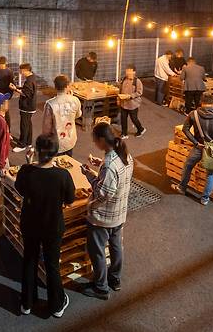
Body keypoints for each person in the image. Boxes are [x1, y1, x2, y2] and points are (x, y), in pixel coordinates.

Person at [15, 134, 74, 317]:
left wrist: (28, 162)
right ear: (56, 153)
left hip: (30, 224)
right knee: (51, 265)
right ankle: (56, 306)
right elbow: (70, 199)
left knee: (29, 260)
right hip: (52, 226)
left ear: (37, 151)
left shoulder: (26, 171)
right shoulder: (62, 175)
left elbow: (20, 189)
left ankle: (27, 303)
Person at [80, 122, 133, 300]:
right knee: (117, 247)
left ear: (102, 140)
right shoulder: (125, 155)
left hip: (103, 218)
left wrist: (89, 177)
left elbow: (104, 193)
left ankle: (101, 288)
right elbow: (115, 181)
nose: (94, 143)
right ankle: (115, 279)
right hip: (120, 214)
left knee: (98, 252)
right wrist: (100, 165)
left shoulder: (110, 164)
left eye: (95, 140)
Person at [171, 94, 213, 205]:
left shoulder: (194, 114)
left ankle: (182, 188)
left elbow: (185, 129)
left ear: (201, 102)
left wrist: (195, 142)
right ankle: (205, 199)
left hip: (199, 147)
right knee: (211, 174)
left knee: (188, 166)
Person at [42, 75, 82, 157]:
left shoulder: (50, 104)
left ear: (55, 86)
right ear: (67, 86)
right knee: (69, 162)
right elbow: (78, 115)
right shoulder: (75, 100)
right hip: (70, 138)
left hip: (56, 140)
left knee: (56, 164)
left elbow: (47, 126)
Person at [10, 63, 37, 152]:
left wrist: (15, 89)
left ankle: (22, 144)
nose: (20, 72)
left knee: (24, 125)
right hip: (31, 106)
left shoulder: (29, 81)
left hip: (27, 106)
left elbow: (26, 93)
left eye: (21, 71)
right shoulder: (32, 78)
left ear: (25, 70)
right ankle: (28, 142)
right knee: (28, 124)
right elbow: (27, 89)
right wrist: (18, 87)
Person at [118, 65, 145, 139]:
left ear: (134, 72)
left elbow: (139, 92)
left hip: (133, 104)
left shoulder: (137, 81)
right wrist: (119, 99)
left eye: (129, 71)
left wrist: (130, 96)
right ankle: (124, 133)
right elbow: (120, 89)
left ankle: (141, 129)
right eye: (127, 70)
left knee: (134, 119)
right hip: (123, 103)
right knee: (123, 118)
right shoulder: (124, 79)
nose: (127, 72)